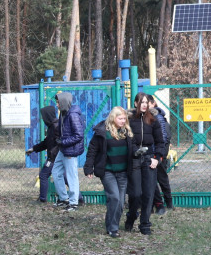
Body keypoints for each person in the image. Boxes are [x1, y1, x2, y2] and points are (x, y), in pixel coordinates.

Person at [84, 106, 134, 237]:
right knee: (114, 197)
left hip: (123, 171)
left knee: (121, 201)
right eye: (120, 118)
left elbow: (132, 148)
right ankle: (113, 228)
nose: (123, 121)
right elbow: (92, 150)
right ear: (113, 118)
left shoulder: (126, 132)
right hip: (107, 171)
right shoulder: (102, 132)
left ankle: (111, 223)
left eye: (124, 118)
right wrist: (88, 167)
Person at [124, 92, 164, 235]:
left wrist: (157, 158)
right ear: (135, 103)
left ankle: (145, 224)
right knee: (135, 194)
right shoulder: (129, 120)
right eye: (141, 102)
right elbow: (127, 139)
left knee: (148, 193)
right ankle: (132, 215)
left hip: (149, 159)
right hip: (134, 159)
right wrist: (135, 151)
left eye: (146, 102)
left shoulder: (153, 120)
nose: (144, 105)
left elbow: (161, 142)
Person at [52, 91, 84, 211]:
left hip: (70, 150)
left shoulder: (73, 115)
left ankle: (73, 202)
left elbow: (78, 135)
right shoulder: (63, 114)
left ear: (64, 102)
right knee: (56, 172)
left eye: (58, 102)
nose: (57, 105)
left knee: (71, 176)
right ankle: (63, 198)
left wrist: (63, 142)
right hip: (63, 149)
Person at [25, 105, 60, 203]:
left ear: (48, 116)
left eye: (44, 116)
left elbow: (60, 143)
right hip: (54, 157)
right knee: (64, 177)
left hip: (55, 158)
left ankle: (42, 199)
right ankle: (79, 198)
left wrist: (52, 155)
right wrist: (33, 149)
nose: (42, 119)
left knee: (44, 175)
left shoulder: (55, 127)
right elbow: (46, 142)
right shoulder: (51, 127)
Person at [149, 97, 173, 214]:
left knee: (161, 178)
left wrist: (161, 154)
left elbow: (164, 138)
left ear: (153, 104)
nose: (145, 105)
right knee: (152, 180)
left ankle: (168, 203)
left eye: (147, 103)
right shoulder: (149, 117)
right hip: (153, 154)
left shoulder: (159, 118)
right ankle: (158, 204)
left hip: (158, 154)